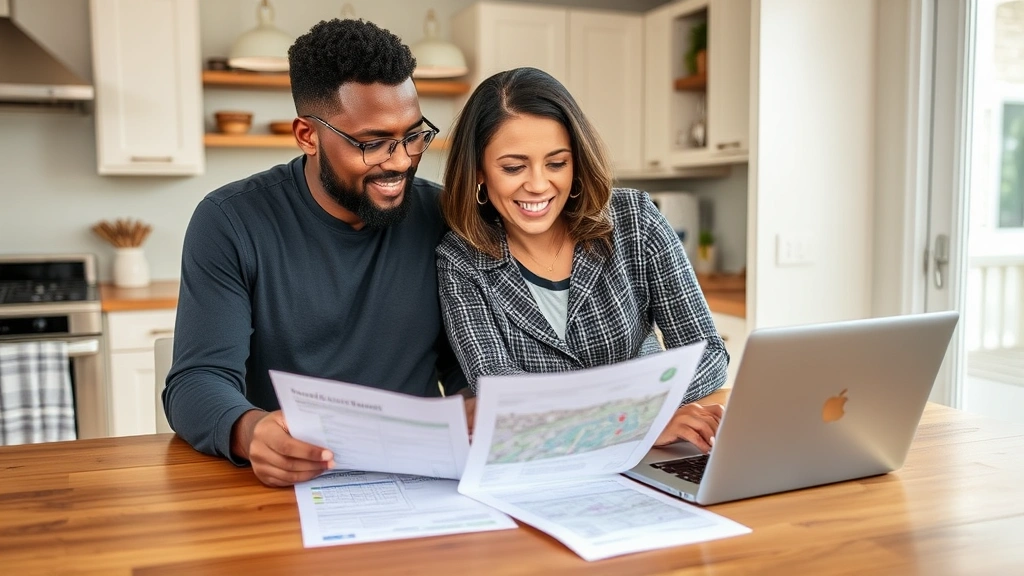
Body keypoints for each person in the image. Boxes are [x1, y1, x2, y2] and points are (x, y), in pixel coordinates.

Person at [163, 19, 467, 487]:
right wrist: (251, 431)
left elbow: (466, 365)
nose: (402, 160)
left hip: (421, 481)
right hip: (290, 488)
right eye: (372, 143)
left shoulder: (444, 216)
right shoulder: (229, 221)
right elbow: (196, 382)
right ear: (307, 135)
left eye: (413, 135)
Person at [437, 67, 728, 453]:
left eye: (556, 163)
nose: (539, 185)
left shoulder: (635, 221)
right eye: (513, 167)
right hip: (545, 462)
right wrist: (634, 421)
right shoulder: (460, 262)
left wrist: (639, 422)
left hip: (654, 451)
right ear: (478, 171)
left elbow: (709, 352)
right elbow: (504, 401)